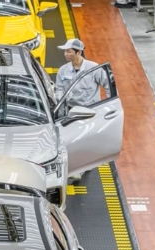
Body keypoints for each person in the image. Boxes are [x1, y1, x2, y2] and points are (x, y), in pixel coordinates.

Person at [54, 38, 112, 183]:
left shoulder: (93, 68)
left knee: (85, 140)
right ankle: (79, 167)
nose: (65, 54)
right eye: (65, 52)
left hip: (90, 111)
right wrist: (60, 100)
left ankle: (82, 167)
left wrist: (110, 104)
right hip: (71, 111)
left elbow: (108, 84)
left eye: (69, 51)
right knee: (73, 140)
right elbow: (59, 88)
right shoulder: (63, 70)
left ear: (79, 52)